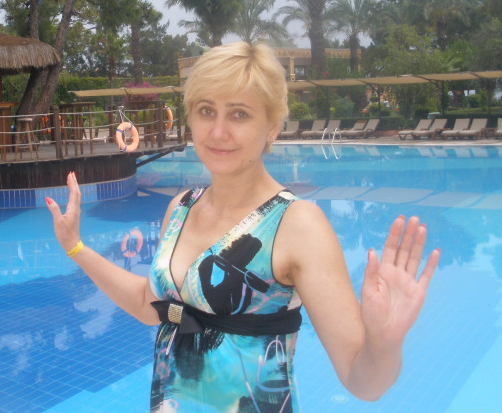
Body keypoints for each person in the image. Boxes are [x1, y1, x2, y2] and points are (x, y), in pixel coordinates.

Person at [46, 41, 440, 412]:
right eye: (206, 111)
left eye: (239, 114)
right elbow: (149, 307)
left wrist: (385, 343)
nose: (218, 132)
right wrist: (76, 247)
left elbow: (362, 381)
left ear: (272, 126)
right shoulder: (180, 208)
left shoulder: (296, 224)